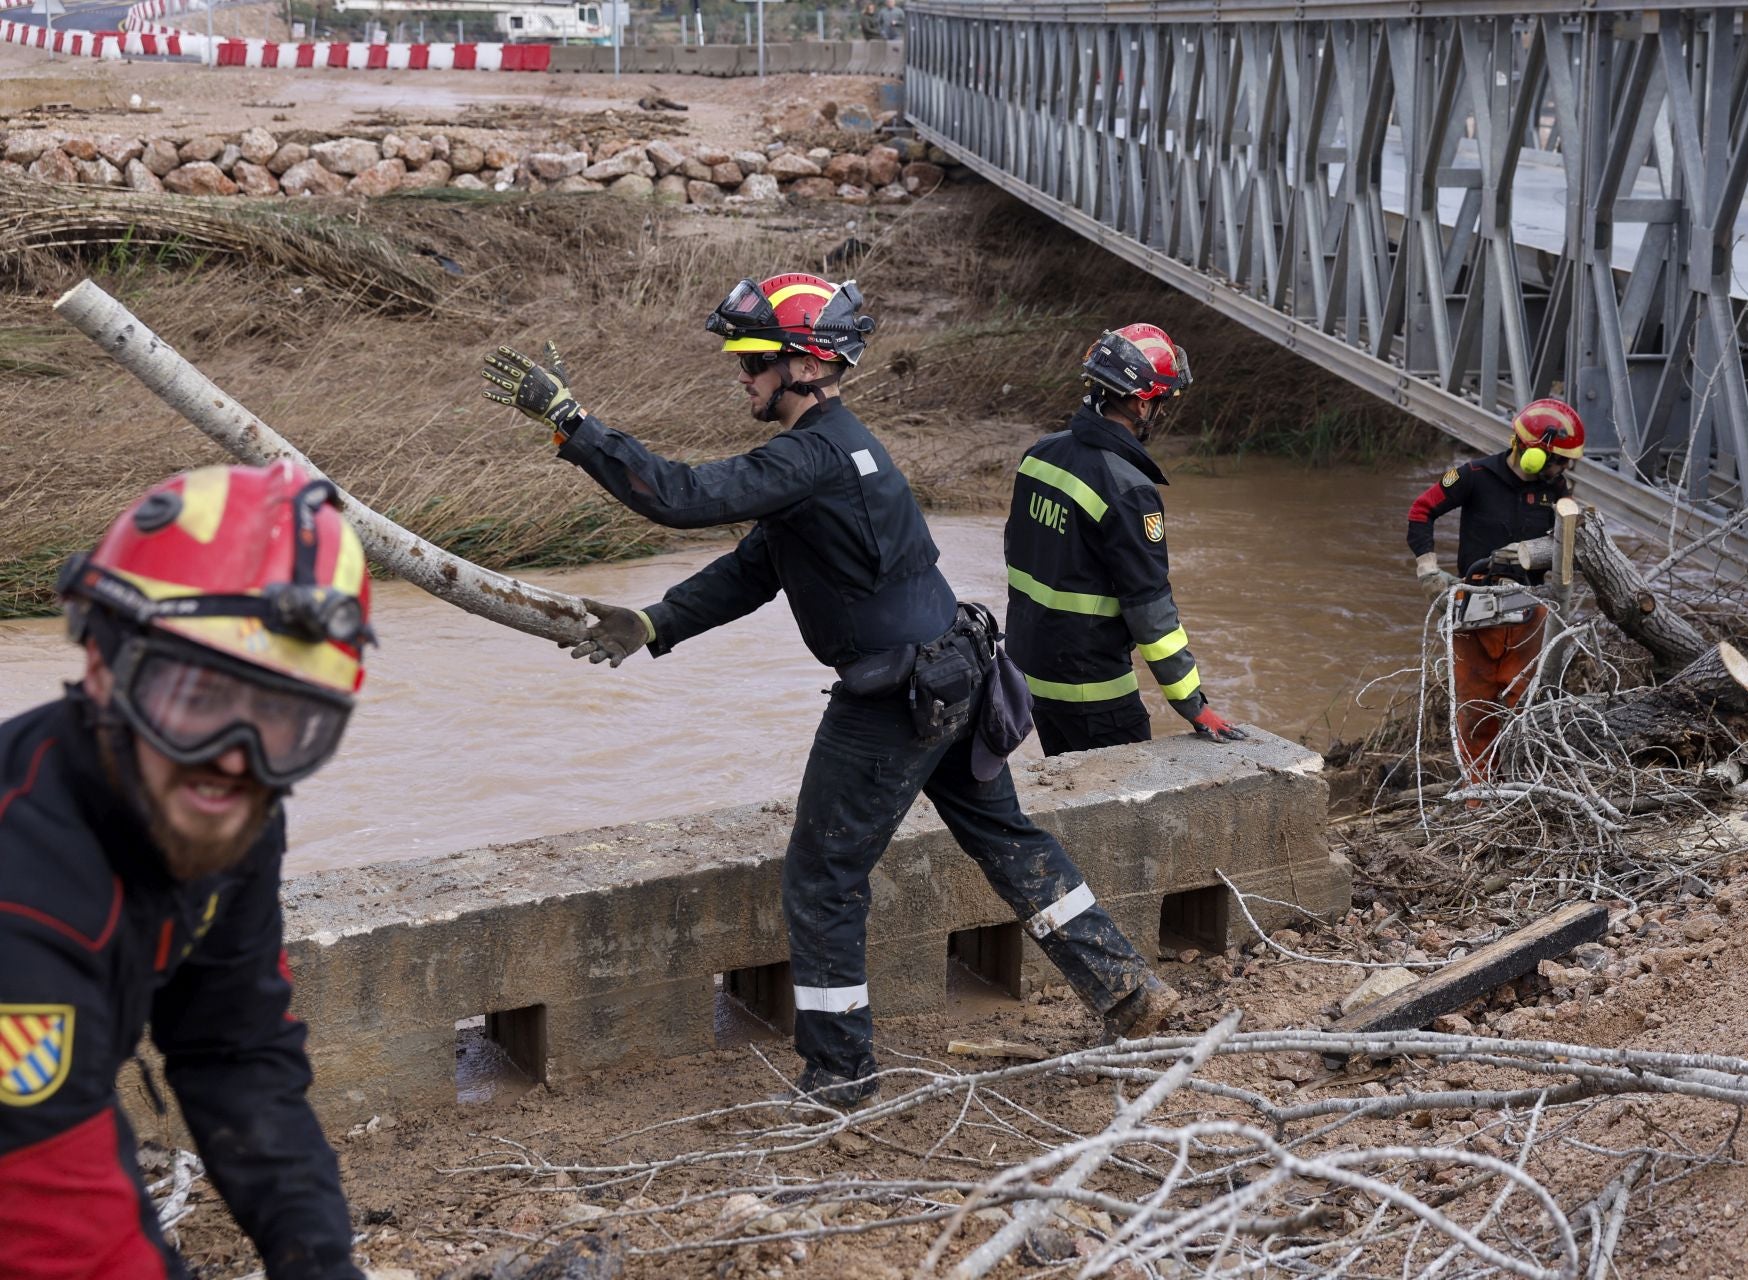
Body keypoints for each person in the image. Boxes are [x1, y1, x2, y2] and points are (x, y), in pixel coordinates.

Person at [480, 274, 1178, 1110]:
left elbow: (675, 497)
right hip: (955, 678)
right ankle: (1129, 991)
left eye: (751, 358)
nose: (739, 373)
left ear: (804, 366)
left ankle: (841, 1077)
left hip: (896, 701)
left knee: (821, 881)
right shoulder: (843, 449)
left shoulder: (809, 455)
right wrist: (657, 623)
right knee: (1010, 841)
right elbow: (759, 567)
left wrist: (572, 425)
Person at [0, 461, 374, 1280]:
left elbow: (235, 1052)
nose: (230, 765)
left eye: (285, 719)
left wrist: (318, 1262)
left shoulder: (233, 818)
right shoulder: (20, 904)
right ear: (101, 665)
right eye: (195, 698)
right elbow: (62, 1245)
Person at [1002, 324, 1246, 757]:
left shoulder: (1040, 455)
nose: (1161, 413)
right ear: (1138, 402)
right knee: (1130, 809)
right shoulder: (1130, 490)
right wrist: (1193, 706)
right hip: (1093, 691)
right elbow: (1151, 612)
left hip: (1030, 676)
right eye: (1160, 403)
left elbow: (1021, 558)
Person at [1406, 397, 1584, 781]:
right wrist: (1428, 570)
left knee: (1525, 703)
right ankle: (1479, 788)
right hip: (1474, 605)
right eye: (1560, 458)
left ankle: (1523, 780)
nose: (1564, 467)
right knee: (1474, 705)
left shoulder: (1557, 492)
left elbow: (1571, 545)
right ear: (1532, 451)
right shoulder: (1472, 475)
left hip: (1529, 609)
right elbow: (1422, 510)